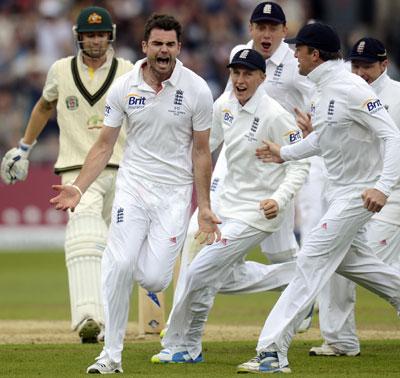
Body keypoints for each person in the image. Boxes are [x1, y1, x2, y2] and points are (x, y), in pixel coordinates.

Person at [49, 14, 220, 374]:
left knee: (155, 278)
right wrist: (79, 186)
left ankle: (134, 253)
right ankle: (110, 356)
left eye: (170, 44)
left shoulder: (197, 89)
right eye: (157, 44)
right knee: (120, 262)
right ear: (145, 46)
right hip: (133, 186)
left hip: (174, 193)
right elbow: (103, 145)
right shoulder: (124, 87)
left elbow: (202, 152)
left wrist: (204, 206)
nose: (163, 51)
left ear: (178, 48)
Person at [237, 22, 400, 374]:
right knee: (354, 263)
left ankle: (271, 352)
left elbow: (392, 135)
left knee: (310, 259)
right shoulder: (322, 89)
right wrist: (285, 152)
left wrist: (383, 187)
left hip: (358, 195)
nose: (293, 55)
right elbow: (323, 141)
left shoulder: (350, 87)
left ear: (315, 54)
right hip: (338, 193)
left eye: (299, 50)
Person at [151, 48, 309, 365]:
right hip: (227, 206)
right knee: (219, 276)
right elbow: (203, 148)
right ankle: (299, 273)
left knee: (200, 270)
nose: (240, 79)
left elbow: (300, 165)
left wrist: (277, 199)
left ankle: (186, 345)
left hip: (258, 211)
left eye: (247, 73)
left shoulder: (276, 115)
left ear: (261, 78)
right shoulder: (224, 106)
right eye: (235, 73)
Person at [167, 1, 313, 333]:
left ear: (283, 31)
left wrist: (313, 125)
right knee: (197, 236)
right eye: (259, 27)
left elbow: (318, 94)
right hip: (235, 163)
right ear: (250, 29)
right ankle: (182, 320)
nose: (265, 33)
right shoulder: (240, 55)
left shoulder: (294, 63)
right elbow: (223, 110)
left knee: (280, 249)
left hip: (277, 162)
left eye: (272, 28)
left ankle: (301, 293)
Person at [0, 6, 134, 343]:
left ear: (111, 35)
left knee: (119, 252)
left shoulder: (129, 70)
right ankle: (89, 315)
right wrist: (24, 147)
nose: (95, 40)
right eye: (89, 35)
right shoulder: (60, 70)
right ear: (78, 37)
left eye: (101, 34)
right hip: (76, 172)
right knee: (85, 233)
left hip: (123, 169)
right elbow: (44, 107)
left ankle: (111, 320)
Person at [309, 37, 400, 357]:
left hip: (392, 197)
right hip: (356, 194)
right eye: (356, 65)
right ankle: (340, 340)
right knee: (340, 260)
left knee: (356, 261)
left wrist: (386, 188)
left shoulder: (397, 97)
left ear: (384, 65)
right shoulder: (343, 92)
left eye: (368, 67)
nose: (361, 72)